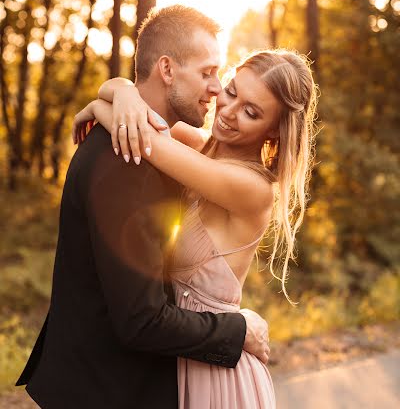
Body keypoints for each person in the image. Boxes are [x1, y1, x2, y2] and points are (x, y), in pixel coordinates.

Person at [16, 6, 270, 409]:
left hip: (148, 378)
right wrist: (114, 97)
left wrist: (110, 99)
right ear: (167, 69)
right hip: (108, 390)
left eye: (251, 109)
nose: (218, 91)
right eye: (207, 73)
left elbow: (158, 137)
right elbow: (141, 320)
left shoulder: (161, 146)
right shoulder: (127, 160)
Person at [73, 23, 318, 408]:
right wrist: (120, 91)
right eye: (232, 91)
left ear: (273, 133)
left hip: (217, 367)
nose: (229, 110)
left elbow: (145, 139)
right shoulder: (201, 147)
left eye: (251, 112)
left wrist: (103, 103)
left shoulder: (251, 187)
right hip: (182, 350)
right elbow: (145, 115)